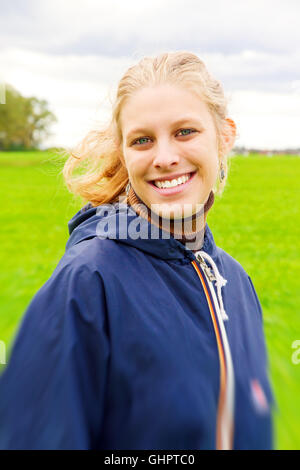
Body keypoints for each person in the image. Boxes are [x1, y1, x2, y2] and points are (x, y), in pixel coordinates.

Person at [0, 51, 274, 450]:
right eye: (142, 140)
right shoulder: (87, 283)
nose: (164, 158)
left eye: (185, 132)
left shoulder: (234, 280)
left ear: (225, 136)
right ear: (124, 153)